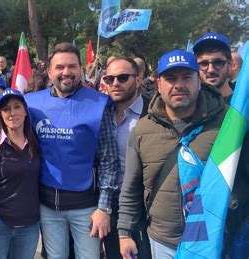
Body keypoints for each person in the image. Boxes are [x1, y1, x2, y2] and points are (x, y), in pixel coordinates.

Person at [118, 49, 248, 259]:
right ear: (159, 84)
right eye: (170, 78)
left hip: (213, 243)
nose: (178, 85)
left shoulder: (227, 124)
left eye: (186, 77)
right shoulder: (141, 130)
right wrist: (124, 233)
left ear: (199, 80)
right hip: (162, 242)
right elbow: (131, 188)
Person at [24, 42, 120, 259]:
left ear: (81, 70)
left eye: (72, 66)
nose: (66, 72)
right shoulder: (32, 104)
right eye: (59, 67)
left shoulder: (98, 104)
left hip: (86, 207)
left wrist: (104, 208)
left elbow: (109, 159)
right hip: (47, 206)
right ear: (49, 72)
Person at [0, 88, 41, 259]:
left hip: (29, 226)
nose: (12, 113)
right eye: (6, 109)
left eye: (17, 107)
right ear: (1, 114)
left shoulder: (36, 142)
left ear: (25, 111)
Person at [101, 57, 151, 259]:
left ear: (138, 80)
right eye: (109, 78)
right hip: (108, 204)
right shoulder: (101, 112)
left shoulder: (155, 112)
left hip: (142, 207)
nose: (115, 83)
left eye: (122, 78)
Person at [193, 32, 234, 101]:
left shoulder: (244, 103)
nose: (210, 70)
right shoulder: (188, 105)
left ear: (230, 64)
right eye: (204, 63)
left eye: (218, 63)